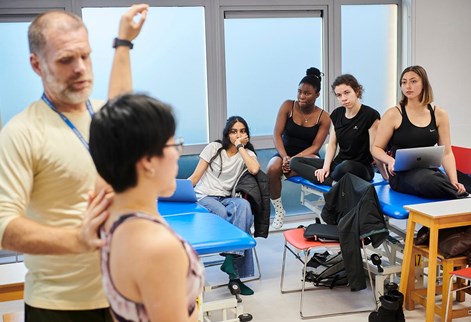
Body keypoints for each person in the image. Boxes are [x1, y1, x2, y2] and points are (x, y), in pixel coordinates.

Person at [0, 4, 148, 321]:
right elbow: (3, 225)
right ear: (37, 65)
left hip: (122, 296)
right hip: (59, 306)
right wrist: (77, 240)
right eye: (66, 60)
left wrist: (124, 41)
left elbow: (123, 104)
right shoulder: (22, 132)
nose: (80, 68)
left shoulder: (101, 113)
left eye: (85, 55)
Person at [89, 93, 204, 322]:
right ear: (148, 161)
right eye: (174, 144)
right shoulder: (158, 249)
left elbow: (113, 140)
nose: (178, 152)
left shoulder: (109, 215)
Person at [188, 116, 260, 295]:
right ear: (227, 133)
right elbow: (195, 178)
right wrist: (173, 190)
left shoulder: (247, 153)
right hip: (203, 196)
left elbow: (254, 169)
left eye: (242, 131)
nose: (238, 135)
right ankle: (234, 274)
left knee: (243, 206)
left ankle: (230, 262)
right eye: (234, 131)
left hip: (225, 197)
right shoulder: (213, 148)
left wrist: (241, 147)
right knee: (221, 212)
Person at [372, 65, 467, 198]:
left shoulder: (439, 114)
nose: (408, 86)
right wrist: (389, 161)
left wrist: (454, 181)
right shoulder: (393, 114)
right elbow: (376, 148)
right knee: (429, 181)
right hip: (401, 174)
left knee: (460, 180)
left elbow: (446, 153)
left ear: (424, 84)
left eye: (413, 81)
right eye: (404, 82)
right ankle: (460, 195)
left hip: (429, 171)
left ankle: (456, 189)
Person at [290, 74, 383, 186]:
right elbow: (333, 145)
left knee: (346, 166)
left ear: (357, 91)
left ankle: (327, 179)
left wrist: (385, 175)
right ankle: (333, 182)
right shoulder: (337, 114)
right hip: (338, 164)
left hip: (361, 168)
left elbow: (375, 149)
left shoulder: (370, 115)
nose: (343, 98)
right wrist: (325, 167)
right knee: (295, 162)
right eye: (339, 95)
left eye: (347, 92)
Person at [267, 67, 331, 229]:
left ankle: (288, 170)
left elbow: (316, 145)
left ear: (317, 95)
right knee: (272, 168)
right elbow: (277, 134)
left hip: (308, 156)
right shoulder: (288, 106)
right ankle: (279, 211)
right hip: (285, 152)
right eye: (299, 92)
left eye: (307, 93)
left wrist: (295, 160)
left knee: (296, 167)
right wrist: (285, 157)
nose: (302, 96)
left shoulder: (324, 117)